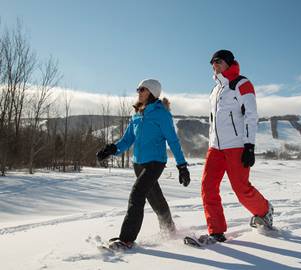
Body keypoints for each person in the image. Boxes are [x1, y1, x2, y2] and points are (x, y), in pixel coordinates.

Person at [96, 79, 191, 250]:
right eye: (138, 89)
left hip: (155, 162)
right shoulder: (137, 113)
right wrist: (111, 149)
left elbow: (173, 141)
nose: (138, 92)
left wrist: (182, 166)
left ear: (152, 92)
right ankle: (169, 229)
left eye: (142, 89)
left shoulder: (162, 113)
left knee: (137, 194)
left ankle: (126, 240)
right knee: (155, 198)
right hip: (138, 162)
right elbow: (127, 140)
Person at [200, 50, 273, 243]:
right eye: (212, 63)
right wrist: (211, 142)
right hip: (215, 147)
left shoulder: (242, 84)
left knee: (241, 189)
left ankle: (264, 210)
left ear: (229, 63)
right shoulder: (215, 90)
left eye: (218, 61)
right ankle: (216, 231)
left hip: (236, 146)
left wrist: (249, 145)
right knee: (208, 188)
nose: (214, 65)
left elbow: (251, 115)